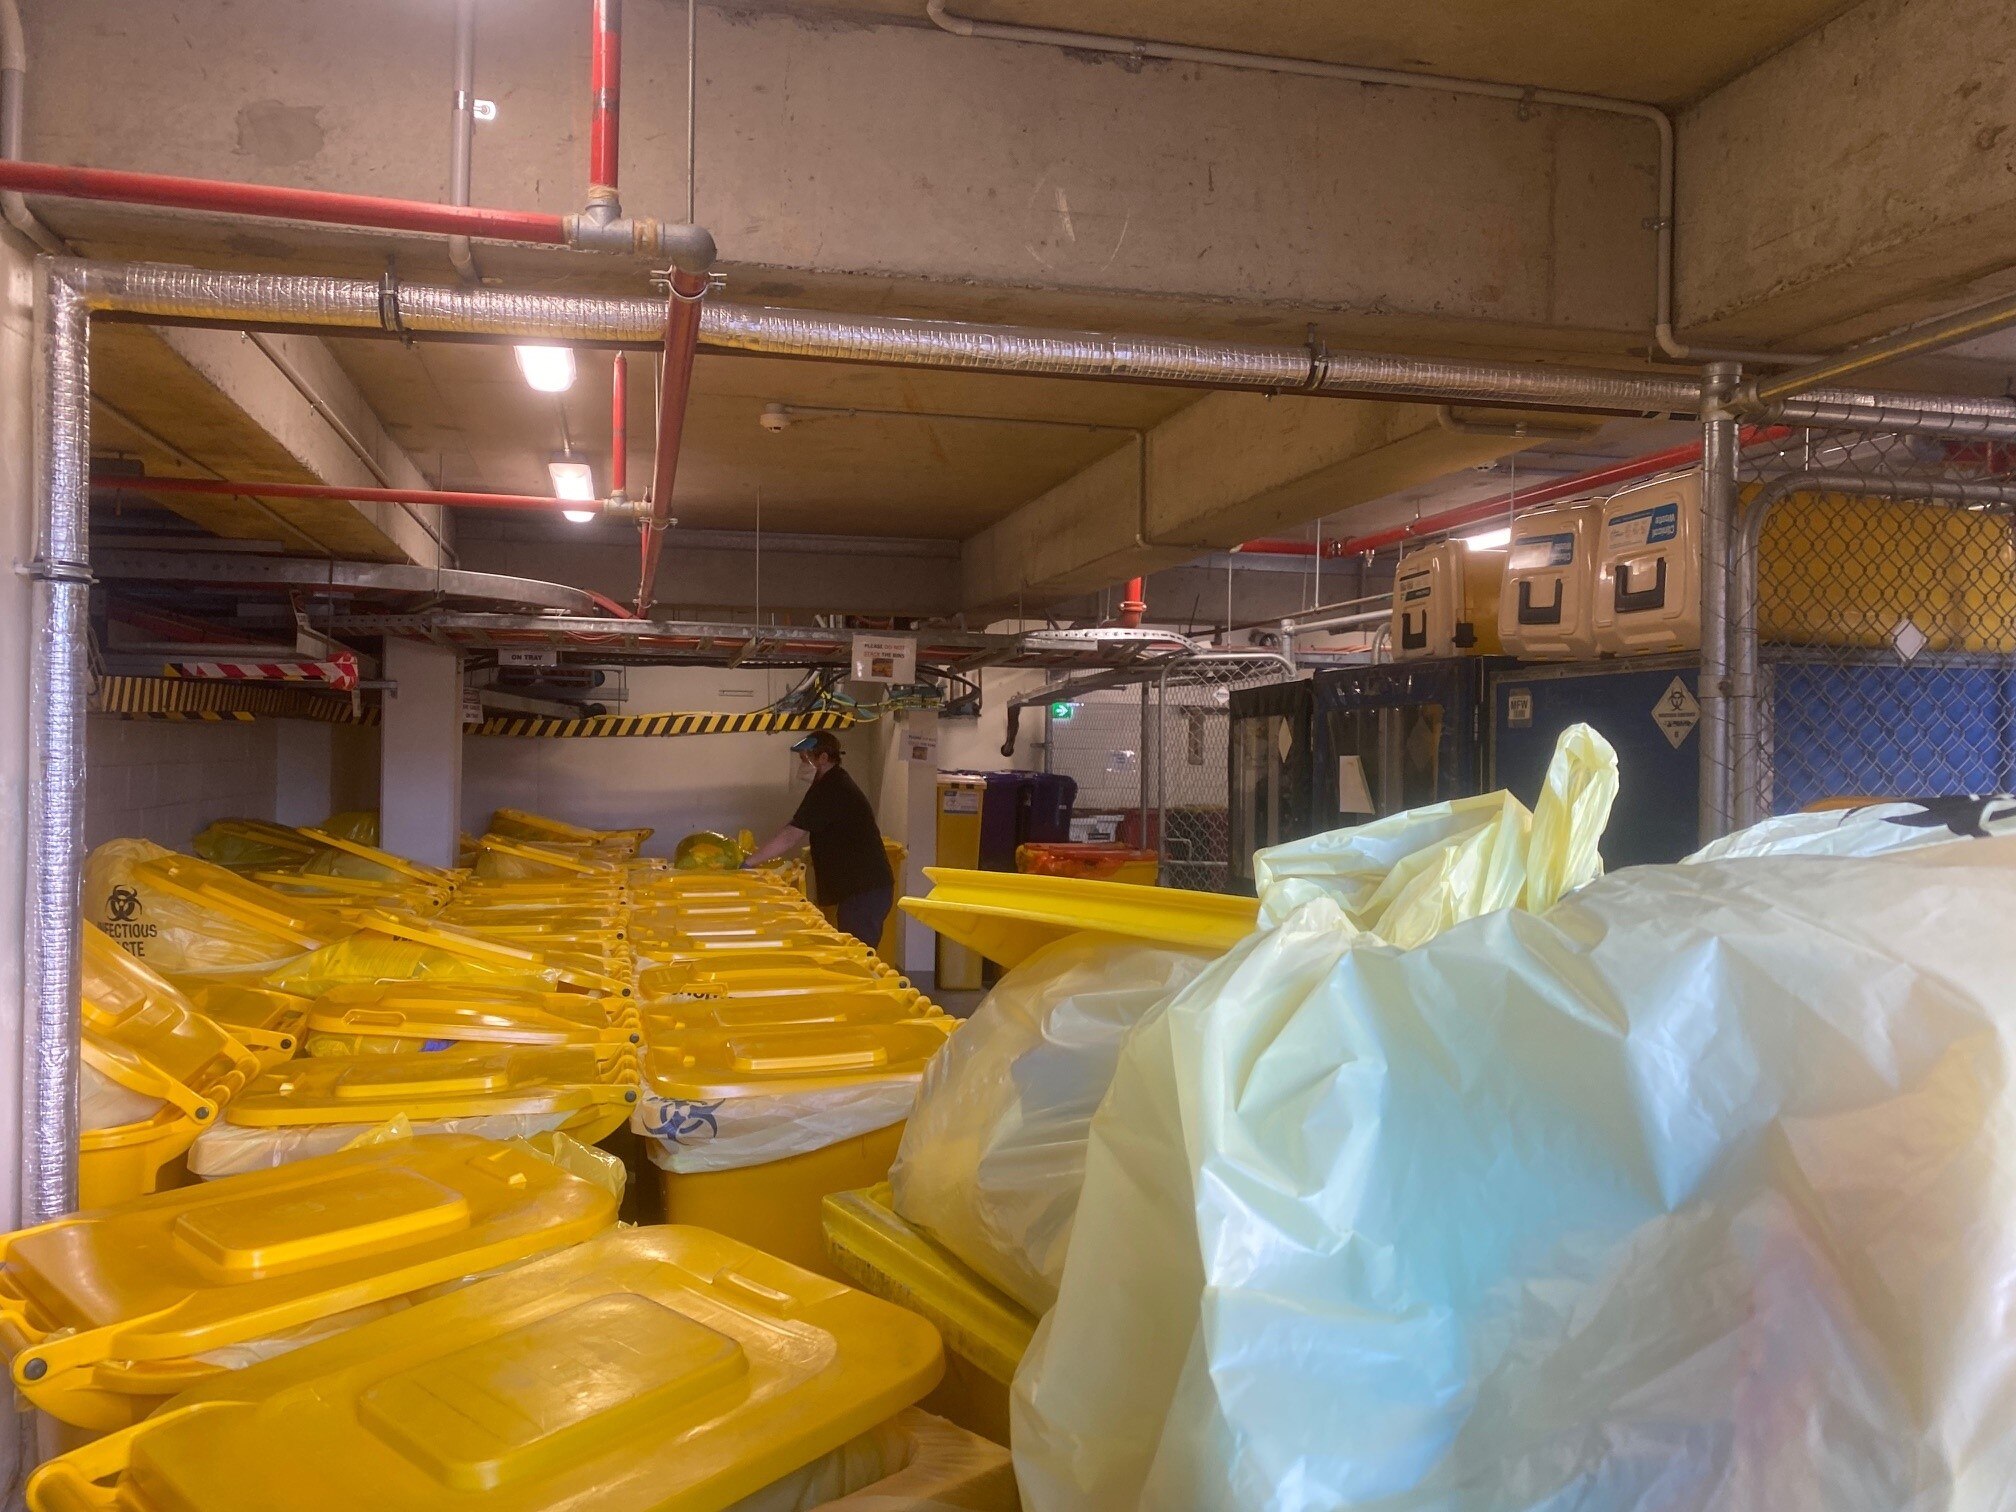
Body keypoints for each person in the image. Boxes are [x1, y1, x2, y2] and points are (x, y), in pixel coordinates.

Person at [744, 731, 895, 946]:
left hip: (864, 891)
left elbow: (791, 835)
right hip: (861, 888)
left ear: (823, 758)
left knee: (857, 956)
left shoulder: (833, 789)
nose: (802, 765)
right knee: (851, 950)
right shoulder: (828, 784)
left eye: (805, 758)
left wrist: (749, 863)